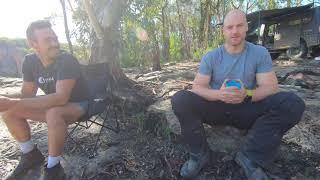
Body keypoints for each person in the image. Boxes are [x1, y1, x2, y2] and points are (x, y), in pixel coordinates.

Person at [171, 9, 305, 179]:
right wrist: (219, 94)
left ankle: (250, 157)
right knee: (180, 99)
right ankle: (199, 156)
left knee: (293, 103)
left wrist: (247, 94)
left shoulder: (259, 53)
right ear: (223, 31)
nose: (234, 31)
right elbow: (197, 88)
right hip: (216, 108)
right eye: (230, 27)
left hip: (247, 108)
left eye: (239, 26)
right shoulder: (211, 56)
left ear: (247, 27)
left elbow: (271, 87)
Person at [1, 20, 90, 179]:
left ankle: (53, 168)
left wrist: (13, 102)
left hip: (80, 104)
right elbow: (27, 95)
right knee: (8, 110)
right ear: (33, 43)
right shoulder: (30, 61)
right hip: (53, 106)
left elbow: (61, 98)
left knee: (54, 113)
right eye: (48, 40)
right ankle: (30, 154)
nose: (55, 43)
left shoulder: (66, 60)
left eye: (55, 38)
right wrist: (6, 100)